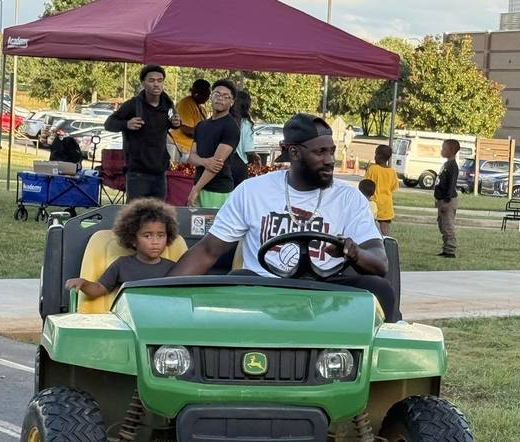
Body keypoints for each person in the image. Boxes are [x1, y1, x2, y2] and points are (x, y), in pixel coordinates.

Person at [170, 113, 396, 321]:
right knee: (241, 277)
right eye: (320, 152)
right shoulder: (252, 191)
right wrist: (164, 297)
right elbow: (208, 250)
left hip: (325, 289)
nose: (329, 160)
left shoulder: (349, 198)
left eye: (331, 151)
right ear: (294, 153)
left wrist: (354, 252)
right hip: (263, 287)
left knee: (380, 288)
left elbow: (380, 262)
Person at [65, 198, 179, 298]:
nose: (155, 242)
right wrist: (84, 283)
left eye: (161, 235)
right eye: (147, 236)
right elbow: (99, 289)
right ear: (133, 239)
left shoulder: (174, 268)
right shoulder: (122, 265)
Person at [104, 65, 181, 201]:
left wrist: (176, 123)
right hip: (137, 172)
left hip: (159, 171)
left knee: (157, 214)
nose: (156, 84)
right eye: (151, 80)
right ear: (143, 83)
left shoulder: (168, 104)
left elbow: (173, 123)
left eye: (160, 80)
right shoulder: (133, 105)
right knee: (135, 214)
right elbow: (109, 124)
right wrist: (126, 124)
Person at [186, 79, 240, 209]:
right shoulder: (201, 125)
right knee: (196, 229)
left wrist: (195, 189)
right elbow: (191, 157)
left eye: (226, 96)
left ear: (232, 102)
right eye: (217, 94)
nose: (220, 99)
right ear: (211, 97)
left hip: (218, 191)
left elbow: (216, 165)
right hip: (199, 186)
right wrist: (205, 162)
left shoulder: (231, 127)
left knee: (214, 228)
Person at [364, 145, 398, 236]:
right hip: (387, 205)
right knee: (385, 229)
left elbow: (366, 184)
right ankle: (386, 245)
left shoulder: (372, 169)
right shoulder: (392, 172)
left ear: (378, 156)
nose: (374, 156)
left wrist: (367, 171)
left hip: (373, 204)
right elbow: (394, 187)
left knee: (369, 226)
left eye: (375, 154)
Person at [434, 139, 460, 259]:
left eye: (444, 148)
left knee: (448, 225)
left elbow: (451, 185)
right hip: (441, 199)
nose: (442, 150)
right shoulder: (446, 164)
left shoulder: (453, 167)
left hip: (447, 201)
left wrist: (446, 201)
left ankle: (450, 250)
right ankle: (445, 248)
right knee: (442, 225)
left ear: (452, 151)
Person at [174, 78, 211, 156]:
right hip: (180, 147)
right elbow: (186, 129)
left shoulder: (202, 109)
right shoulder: (186, 104)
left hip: (191, 150)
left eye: (208, 95)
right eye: (206, 94)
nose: (208, 98)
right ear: (197, 93)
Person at [229, 89, 256, 187]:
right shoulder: (246, 123)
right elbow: (248, 149)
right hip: (239, 164)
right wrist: (256, 158)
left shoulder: (226, 120)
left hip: (223, 162)